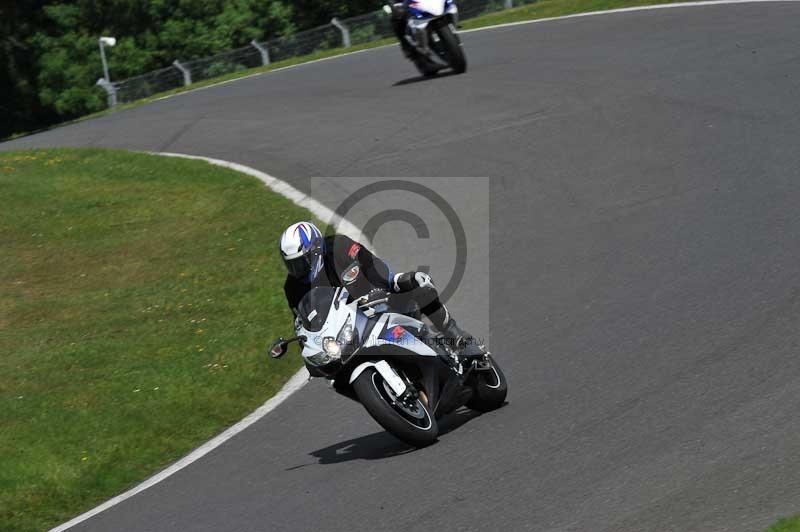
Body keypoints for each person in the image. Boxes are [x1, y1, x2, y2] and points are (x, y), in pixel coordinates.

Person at [278, 221, 481, 358]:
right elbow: (302, 321)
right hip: (347, 334)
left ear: (315, 250)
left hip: (377, 302)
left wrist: (388, 283)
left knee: (417, 283)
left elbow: (368, 263)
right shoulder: (292, 288)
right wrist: (305, 342)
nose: (298, 270)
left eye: (302, 262)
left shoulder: (338, 246)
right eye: (292, 265)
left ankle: (455, 335)